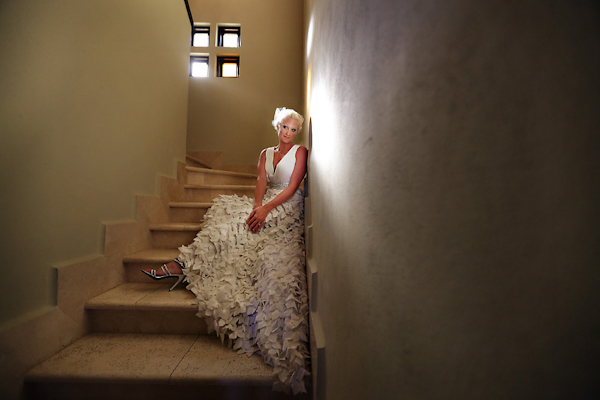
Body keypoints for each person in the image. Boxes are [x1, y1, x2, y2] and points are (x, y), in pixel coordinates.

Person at [142, 107, 310, 394]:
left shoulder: (301, 152)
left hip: (287, 204)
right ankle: (181, 265)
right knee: (230, 226)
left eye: (294, 129)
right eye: (284, 126)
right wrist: (256, 207)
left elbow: (294, 186)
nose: (288, 132)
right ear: (276, 126)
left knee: (252, 233)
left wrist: (267, 210)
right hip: (266, 200)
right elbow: (260, 182)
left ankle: (186, 268)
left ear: (298, 133)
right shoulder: (265, 153)